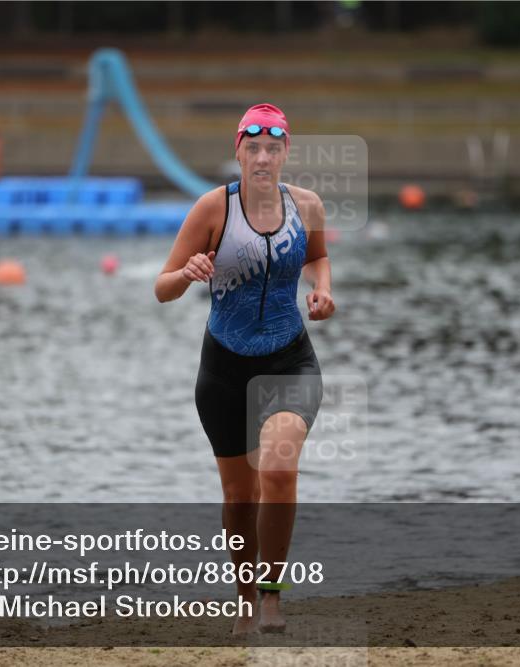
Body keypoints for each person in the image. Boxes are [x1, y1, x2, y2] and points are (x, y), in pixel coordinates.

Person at [155, 103, 335, 634]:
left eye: (272, 148)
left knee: (278, 469)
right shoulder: (213, 209)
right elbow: (161, 289)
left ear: (285, 153)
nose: (262, 157)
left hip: (290, 361)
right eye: (252, 147)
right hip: (224, 370)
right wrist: (187, 273)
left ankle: (272, 600)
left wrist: (323, 291)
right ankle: (244, 600)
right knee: (239, 496)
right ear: (238, 151)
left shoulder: (307, 205)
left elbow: (318, 259)